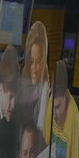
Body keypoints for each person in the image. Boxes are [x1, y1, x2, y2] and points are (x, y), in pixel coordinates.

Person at [19, 21, 52, 149]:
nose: (34, 68)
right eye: (31, 61)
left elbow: (41, 131)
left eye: (39, 62)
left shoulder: (46, 90)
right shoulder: (21, 85)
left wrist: (44, 93)